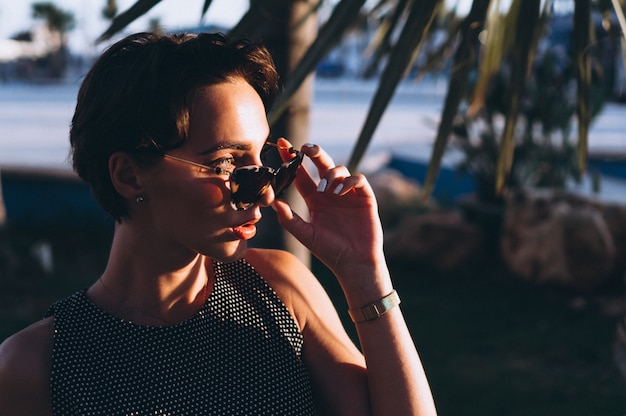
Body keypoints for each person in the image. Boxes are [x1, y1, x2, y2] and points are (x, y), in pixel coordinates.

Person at [0, 32, 437, 415]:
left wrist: (365, 274)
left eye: (265, 163)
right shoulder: (38, 365)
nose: (265, 192)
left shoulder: (280, 292)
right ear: (129, 175)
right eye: (228, 163)